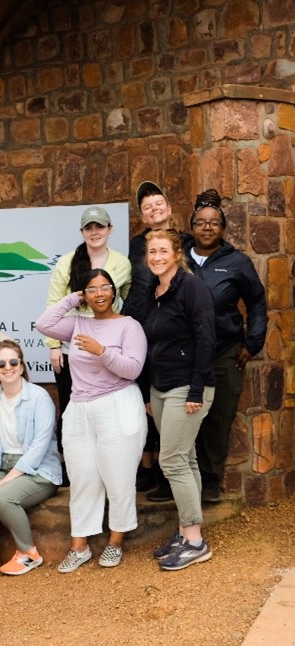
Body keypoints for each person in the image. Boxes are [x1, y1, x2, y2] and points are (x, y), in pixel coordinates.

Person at [37, 271, 148, 572]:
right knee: (83, 477)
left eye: (104, 288)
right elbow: (43, 324)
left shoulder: (129, 326)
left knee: (118, 477)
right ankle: (79, 546)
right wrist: (75, 298)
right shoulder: (78, 323)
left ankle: (115, 542)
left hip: (118, 404)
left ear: (114, 292)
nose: (99, 294)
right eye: (92, 289)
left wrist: (102, 352)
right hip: (80, 408)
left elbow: (133, 369)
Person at [184, 189, 267, 503]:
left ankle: (209, 481)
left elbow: (256, 302)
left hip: (224, 351)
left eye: (214, 223)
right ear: (191, 227)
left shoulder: (237, 262)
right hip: (184, 354)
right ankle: (180, 480)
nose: (207, 228)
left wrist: (252, 342)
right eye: (201, 223)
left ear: (222, 228)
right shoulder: (178, 258)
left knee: (218, 417)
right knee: (184, 416)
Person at [142, 229, 216, 571]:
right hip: (160, 387)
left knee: (171, 461)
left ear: (176, 253)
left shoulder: (191, 287)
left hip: (187, 387)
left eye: (162, 251)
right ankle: (188, 530)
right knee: (185, 459)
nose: (156, 257)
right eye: (151, 252)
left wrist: (197, 391)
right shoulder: (155, 291)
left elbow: (205, 340)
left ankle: (196, 541)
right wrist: (147, 392)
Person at [44, 206, 132, 454]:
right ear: (82, 231)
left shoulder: (122, 263)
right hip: (71, 346)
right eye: (89, 228)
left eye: (100, 226)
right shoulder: (67, 262)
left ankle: (108, 460)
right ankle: (70, 465)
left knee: (106, 406)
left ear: (110, 229)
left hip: (107, 345)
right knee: (71, 407)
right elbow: (53, 305)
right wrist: (53, 346)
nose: (95, 232)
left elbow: (130, 301)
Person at [123, 182, 192, 496]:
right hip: (144, 328)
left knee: (172, 405)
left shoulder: (187, 242)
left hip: (176, 332)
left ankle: (169, 477)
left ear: (168, 206)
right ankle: (148, 470)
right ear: (143, 216)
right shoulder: (136, 246)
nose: (153, 208)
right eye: (146, 207)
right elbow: (135, 287)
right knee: (148, 401)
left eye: (158, 202)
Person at [0, 341, 61, 576]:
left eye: (13, 362)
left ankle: (29, 553)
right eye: (1, 363)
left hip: (38, 470)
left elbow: (40, 446)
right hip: (1, 465)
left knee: (2, 497)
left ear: (21, 367)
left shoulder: (39, 397)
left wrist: (5, 480)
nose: (7, 367)